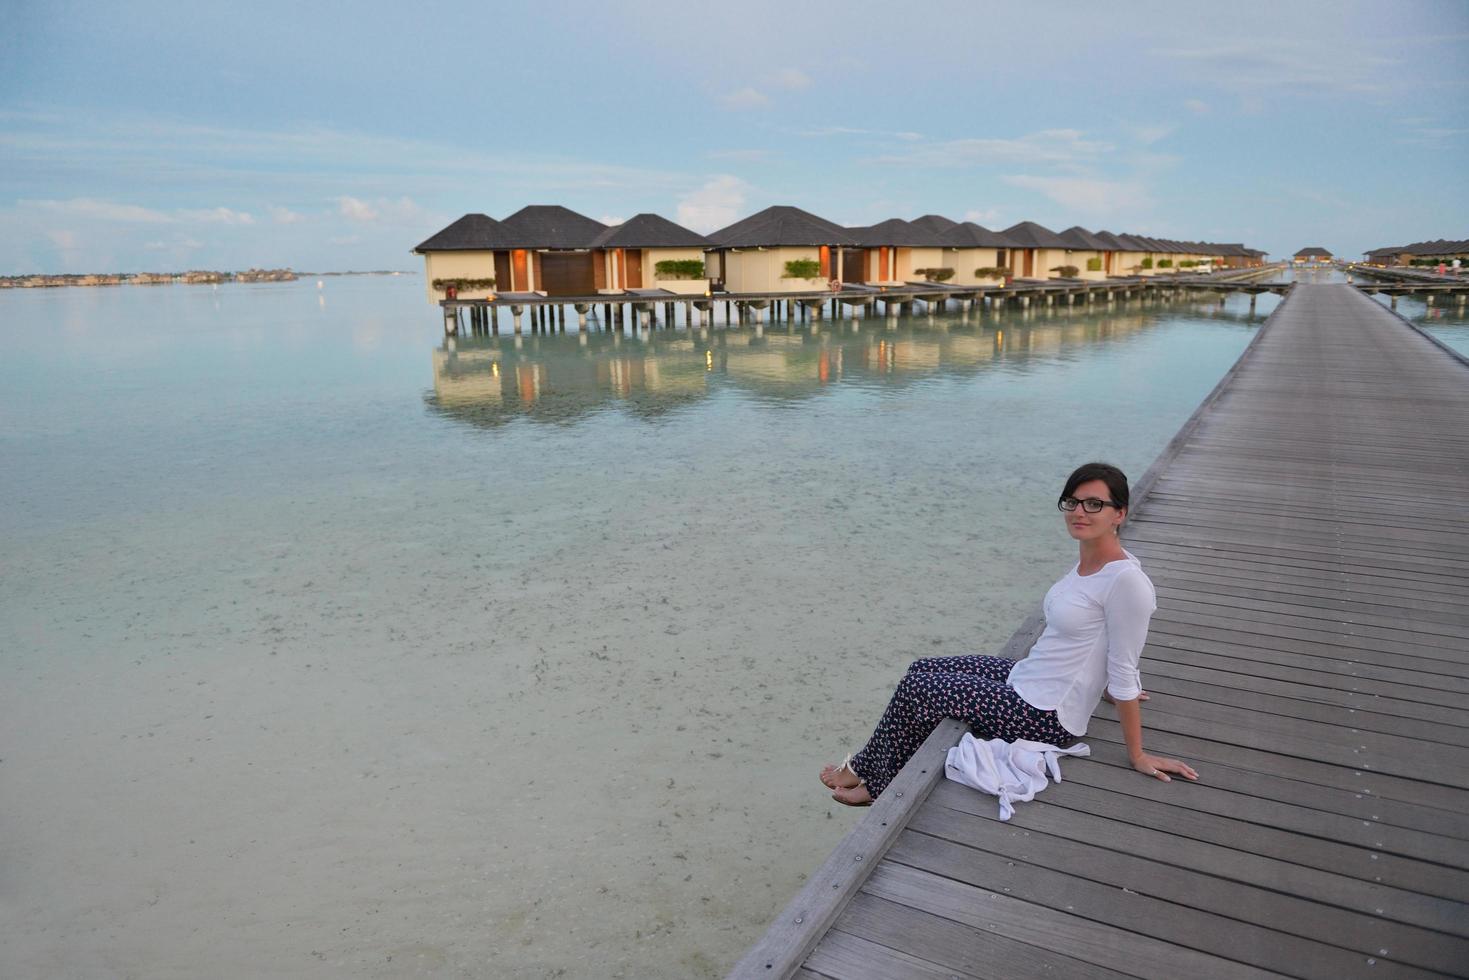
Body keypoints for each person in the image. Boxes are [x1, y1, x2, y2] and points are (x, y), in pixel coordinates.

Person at [820, 462, 1198, 806]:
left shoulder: (1127, 581)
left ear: (1120, 513)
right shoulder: (1089, 560)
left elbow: (1125, 663)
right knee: (921, 669)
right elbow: (1093, 641)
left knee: (917, 692)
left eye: (1095, 504)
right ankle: (874, 768)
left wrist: (1138, 754)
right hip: (1026, 678)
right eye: (1073, 502)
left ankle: (874, 780)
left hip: (1044, 713)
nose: (1080, 512)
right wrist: (1105, 688)